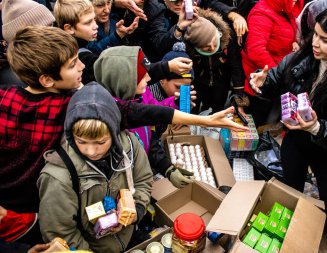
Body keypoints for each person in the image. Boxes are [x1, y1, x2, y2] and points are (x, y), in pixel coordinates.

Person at [0, 25, 248, 246]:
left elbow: (140, 108)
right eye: (73, 63)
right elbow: (135, 109)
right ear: (46, 79)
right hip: (26, 217)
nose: (83, 66)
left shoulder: (8, 97)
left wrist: (202, 119)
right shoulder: (73, 105)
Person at [249, 4, 327, 227]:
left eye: (326, 40)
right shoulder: (302, 57)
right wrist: (262, 83)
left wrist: (318, 128)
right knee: (290, 191)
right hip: (295, 141)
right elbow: (276, 81)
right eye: (315, 34)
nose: (315, 43)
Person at [38, 82, 153, 252]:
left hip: (127, 237)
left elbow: (143, 179)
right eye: (81, 141)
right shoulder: (58, 177)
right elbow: (61, 234)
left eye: (101, 142)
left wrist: (136, 210)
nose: (91, 151)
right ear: (71, 134)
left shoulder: (130, 144)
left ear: (114, 132)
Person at [94, 44, 195, 188]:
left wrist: (166, 167)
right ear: (125, 81)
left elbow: (152, 130)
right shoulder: (110, 120)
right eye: (142, 76)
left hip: (144, 171)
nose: (148, 78)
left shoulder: (143, 94)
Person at [54, 0, 194, 85]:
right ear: (69, 28)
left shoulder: (77, 46)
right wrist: (167, 67)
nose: (95, 26)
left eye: (93, 20)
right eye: (88, 22)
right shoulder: (81, 57)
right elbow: (128, 74)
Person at [242, 0, 304, 126]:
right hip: (261, 80)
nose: (294, 3)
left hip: (276, 77)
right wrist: (278, 73)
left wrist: (292, 43)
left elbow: (282, 33)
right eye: (293, 0)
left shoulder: (283, 10)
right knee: (256, 125)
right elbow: (256, 50)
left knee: (269, 122)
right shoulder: (262, 14)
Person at [0, 0, 55, 87]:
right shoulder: (19, 80)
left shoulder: (51, 50)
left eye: (51, 25)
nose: (53, 33)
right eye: (43, 31)